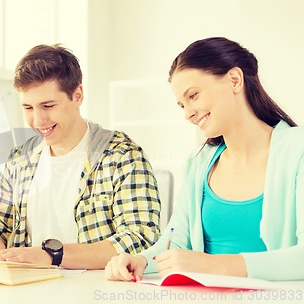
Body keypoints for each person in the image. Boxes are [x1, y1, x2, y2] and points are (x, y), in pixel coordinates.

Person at [105, 37, 304, 281]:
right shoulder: (199, 163)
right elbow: (175, 237)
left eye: (193, 96)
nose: (188, 114)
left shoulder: (298, 150)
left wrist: (213, 265)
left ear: (234, 80)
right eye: (181, 105)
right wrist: (141, 261)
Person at [0, 44, 161, 269]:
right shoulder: (20, 158)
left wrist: (52, 255)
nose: (38, 120)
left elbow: (140, 238)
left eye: (48, 105)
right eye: (28, 108)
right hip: (28, 288)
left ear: (77, 95)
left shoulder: (122, 156)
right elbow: (0, 229)